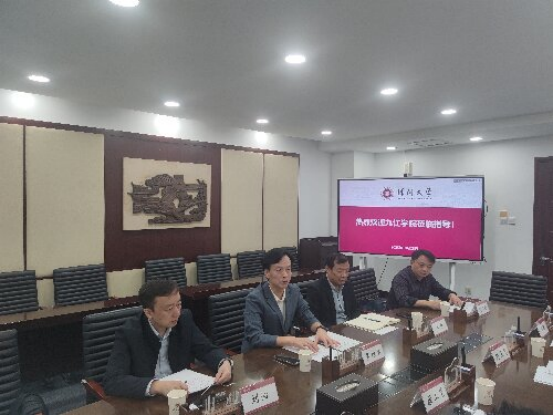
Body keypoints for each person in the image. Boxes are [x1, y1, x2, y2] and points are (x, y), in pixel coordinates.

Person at [104, 280, 233, 399]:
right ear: (149, 313)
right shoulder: (129, 333)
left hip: (181, 395)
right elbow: (112, 381)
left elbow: (206, 349)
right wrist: (156, 386)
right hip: (147, 401)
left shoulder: (184, 320)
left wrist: (223, 363)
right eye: (169, 309)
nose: (177, 313)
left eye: (179, 304)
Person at [242, 248, 340, 353]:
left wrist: (319, 329)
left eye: (288, 269)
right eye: (279, 270)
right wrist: (291, 340)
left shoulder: (293, 291)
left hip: (282, 350)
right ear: (267, 273)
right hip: (257, 354)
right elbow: (256, 337)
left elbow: (305, 313)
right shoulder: (255, 298)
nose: (285, 275)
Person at [387, 249, 463, 310]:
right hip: (396, 315)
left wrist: (451, 295)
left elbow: (440, 290)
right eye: (421, 265)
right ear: (412, 262)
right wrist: (429, 304)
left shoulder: (428, 277)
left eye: (429, 267)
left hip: (419, 313)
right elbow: (404, 300)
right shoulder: (401, 277)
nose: (425, 269)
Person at [306, 253, 360, 327]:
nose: (344, 275)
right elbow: (314, 319)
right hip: (331, 329)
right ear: (328, 269)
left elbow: (355, 310)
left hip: (349, 327)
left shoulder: (348, 285)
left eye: (347, 271)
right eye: (339, 271)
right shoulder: (316, 289)